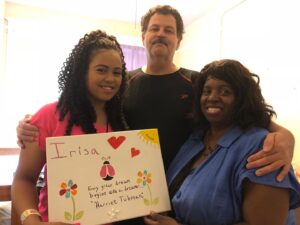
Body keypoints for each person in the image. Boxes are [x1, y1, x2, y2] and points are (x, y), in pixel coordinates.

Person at [17, 4, 295, 180]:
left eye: (169, 30)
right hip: (123, 190)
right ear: (144, 37)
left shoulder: (198, 83)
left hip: (182, 190)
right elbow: (77, 108)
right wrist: (30, 125)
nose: (161, 34)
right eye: (154, 29)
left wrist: (284, 135)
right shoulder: (119, 84)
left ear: (178, 39)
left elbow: (240, 111)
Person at [144, 59, 300, 225]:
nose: (212, 98)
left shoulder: (262, 147)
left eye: (225, 92)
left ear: (242, 99)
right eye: (207, 91)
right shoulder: (196, 138)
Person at [11, 30, 128, 225]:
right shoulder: (50, 116)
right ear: (82, 72)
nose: (110, 78)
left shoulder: (120, 121)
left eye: (117, 72)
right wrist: (32, 221)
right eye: (101, 70)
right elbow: (24, 179)